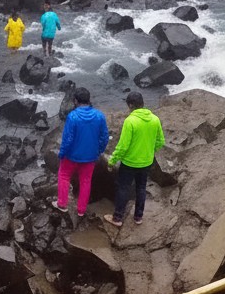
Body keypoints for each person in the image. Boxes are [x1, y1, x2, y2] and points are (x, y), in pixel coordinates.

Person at [104, 92, 165, 228]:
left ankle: (117, 218)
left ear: (131, 105)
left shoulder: (130, 121)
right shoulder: (155, 119)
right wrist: (150, 151)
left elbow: (123, 146)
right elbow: (161, 141)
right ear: (142, 103)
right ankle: (138, 217)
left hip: (129, 163)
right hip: (146, 162)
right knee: (141, 188)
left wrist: (112, 161)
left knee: (123, 188)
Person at [54, 87, 109, 217]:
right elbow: (104, 137)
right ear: (89, 100)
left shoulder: (72, 117)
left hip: (71, 155)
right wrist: (99, 151)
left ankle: (62, 204)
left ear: (75, 101)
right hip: (90, 156)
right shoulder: (99, 116)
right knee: (85, 181)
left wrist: (62, 153)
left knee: (64, 175)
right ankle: (81, 210)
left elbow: (67, 139)